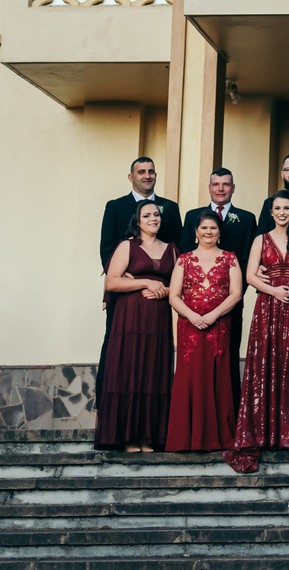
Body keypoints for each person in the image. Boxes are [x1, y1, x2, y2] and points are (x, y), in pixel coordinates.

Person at [225, 189, 289, 473]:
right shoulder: (261, 239)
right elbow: (249, 275)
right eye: (277, 208)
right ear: (271, 212)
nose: (282, 213)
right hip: (269, 306)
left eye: (286, 208)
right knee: (266, 365)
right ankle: (265, 432)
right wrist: (273, 291)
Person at [94, 198, 176, 451]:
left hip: (159, 321)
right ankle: (128, 437)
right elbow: (112, 283)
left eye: (156, 215)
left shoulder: (172, 248)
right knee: (129, 371)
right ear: (138, 221)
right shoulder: (127, 246)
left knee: (154, 373)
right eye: (147, 215)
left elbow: (182, 286)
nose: (153, 219)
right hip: (130, 318)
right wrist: (146, 283)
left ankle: (149, 436)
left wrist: (164, 289)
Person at [97, 158, 182, 399]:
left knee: (154, 354)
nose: (147, 175)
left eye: (151, 171)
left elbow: (178, 248)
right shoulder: (115, 206)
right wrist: (120, 273)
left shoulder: (170, 208)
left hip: (160, 295)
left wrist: (168, 287)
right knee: (116, 347)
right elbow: (106, 246)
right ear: (131, 177)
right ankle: (105, 403)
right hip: (126, 290)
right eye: (141, 172)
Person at [166, 210, 243, 451]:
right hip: (189, 326)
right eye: (204, 228)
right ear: (196, 232)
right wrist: (192, 316)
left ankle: (215, 437)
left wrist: (212, 315)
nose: (208, 232)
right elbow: (174, 295)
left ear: (219, 232)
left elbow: (236, 294)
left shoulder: (230, 258)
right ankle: (185, 438)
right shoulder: (184, 259)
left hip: (219, 325)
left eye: (213, 228)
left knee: (218, 376)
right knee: (190, 377)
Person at [179, 168, 256, 404]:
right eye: (216, 184)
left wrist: (233, 295)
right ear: (209, 187)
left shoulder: (247, 218)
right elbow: (184, 253)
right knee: (193, 363)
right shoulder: (193, 216)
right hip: (193, 304)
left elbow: (246, 258)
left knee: (228, 357)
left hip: (230, 301)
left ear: (233, 188)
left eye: (225, 184)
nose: (220, 188)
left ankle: (228, 416)